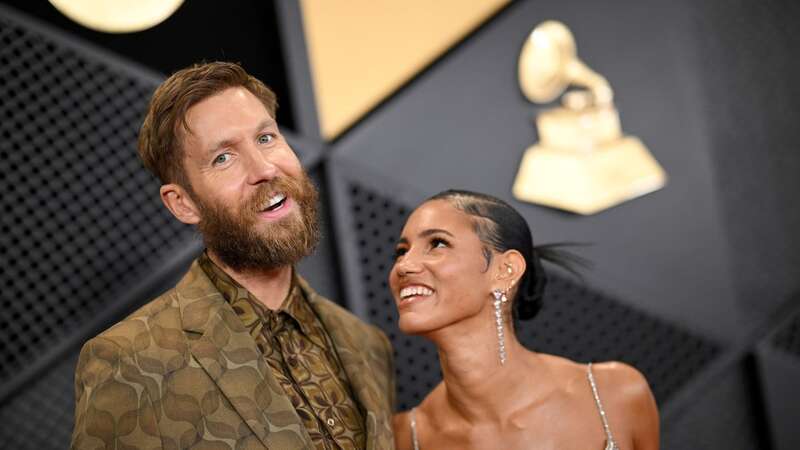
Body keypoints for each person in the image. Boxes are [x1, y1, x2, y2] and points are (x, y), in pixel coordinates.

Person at [70, 62, 395, 450]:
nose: (264, 169)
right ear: (184, 204)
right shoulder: (130, 361)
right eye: (223, 157)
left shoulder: (368, 345)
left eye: (266, 138)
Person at [390, 190, 659, 450]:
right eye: (402, 251)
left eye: (437, 243)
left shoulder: (614, 393)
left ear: (505, 270)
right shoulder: (404, 439)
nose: (403, 265)